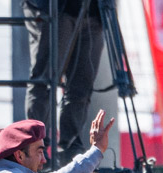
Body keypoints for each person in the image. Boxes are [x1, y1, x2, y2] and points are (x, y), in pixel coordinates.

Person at [23, 0, 103, 161]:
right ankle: (36, 147)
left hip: (94, 11)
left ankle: (71, 149)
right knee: (45, 82)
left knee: (81, 86)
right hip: (55, 9)